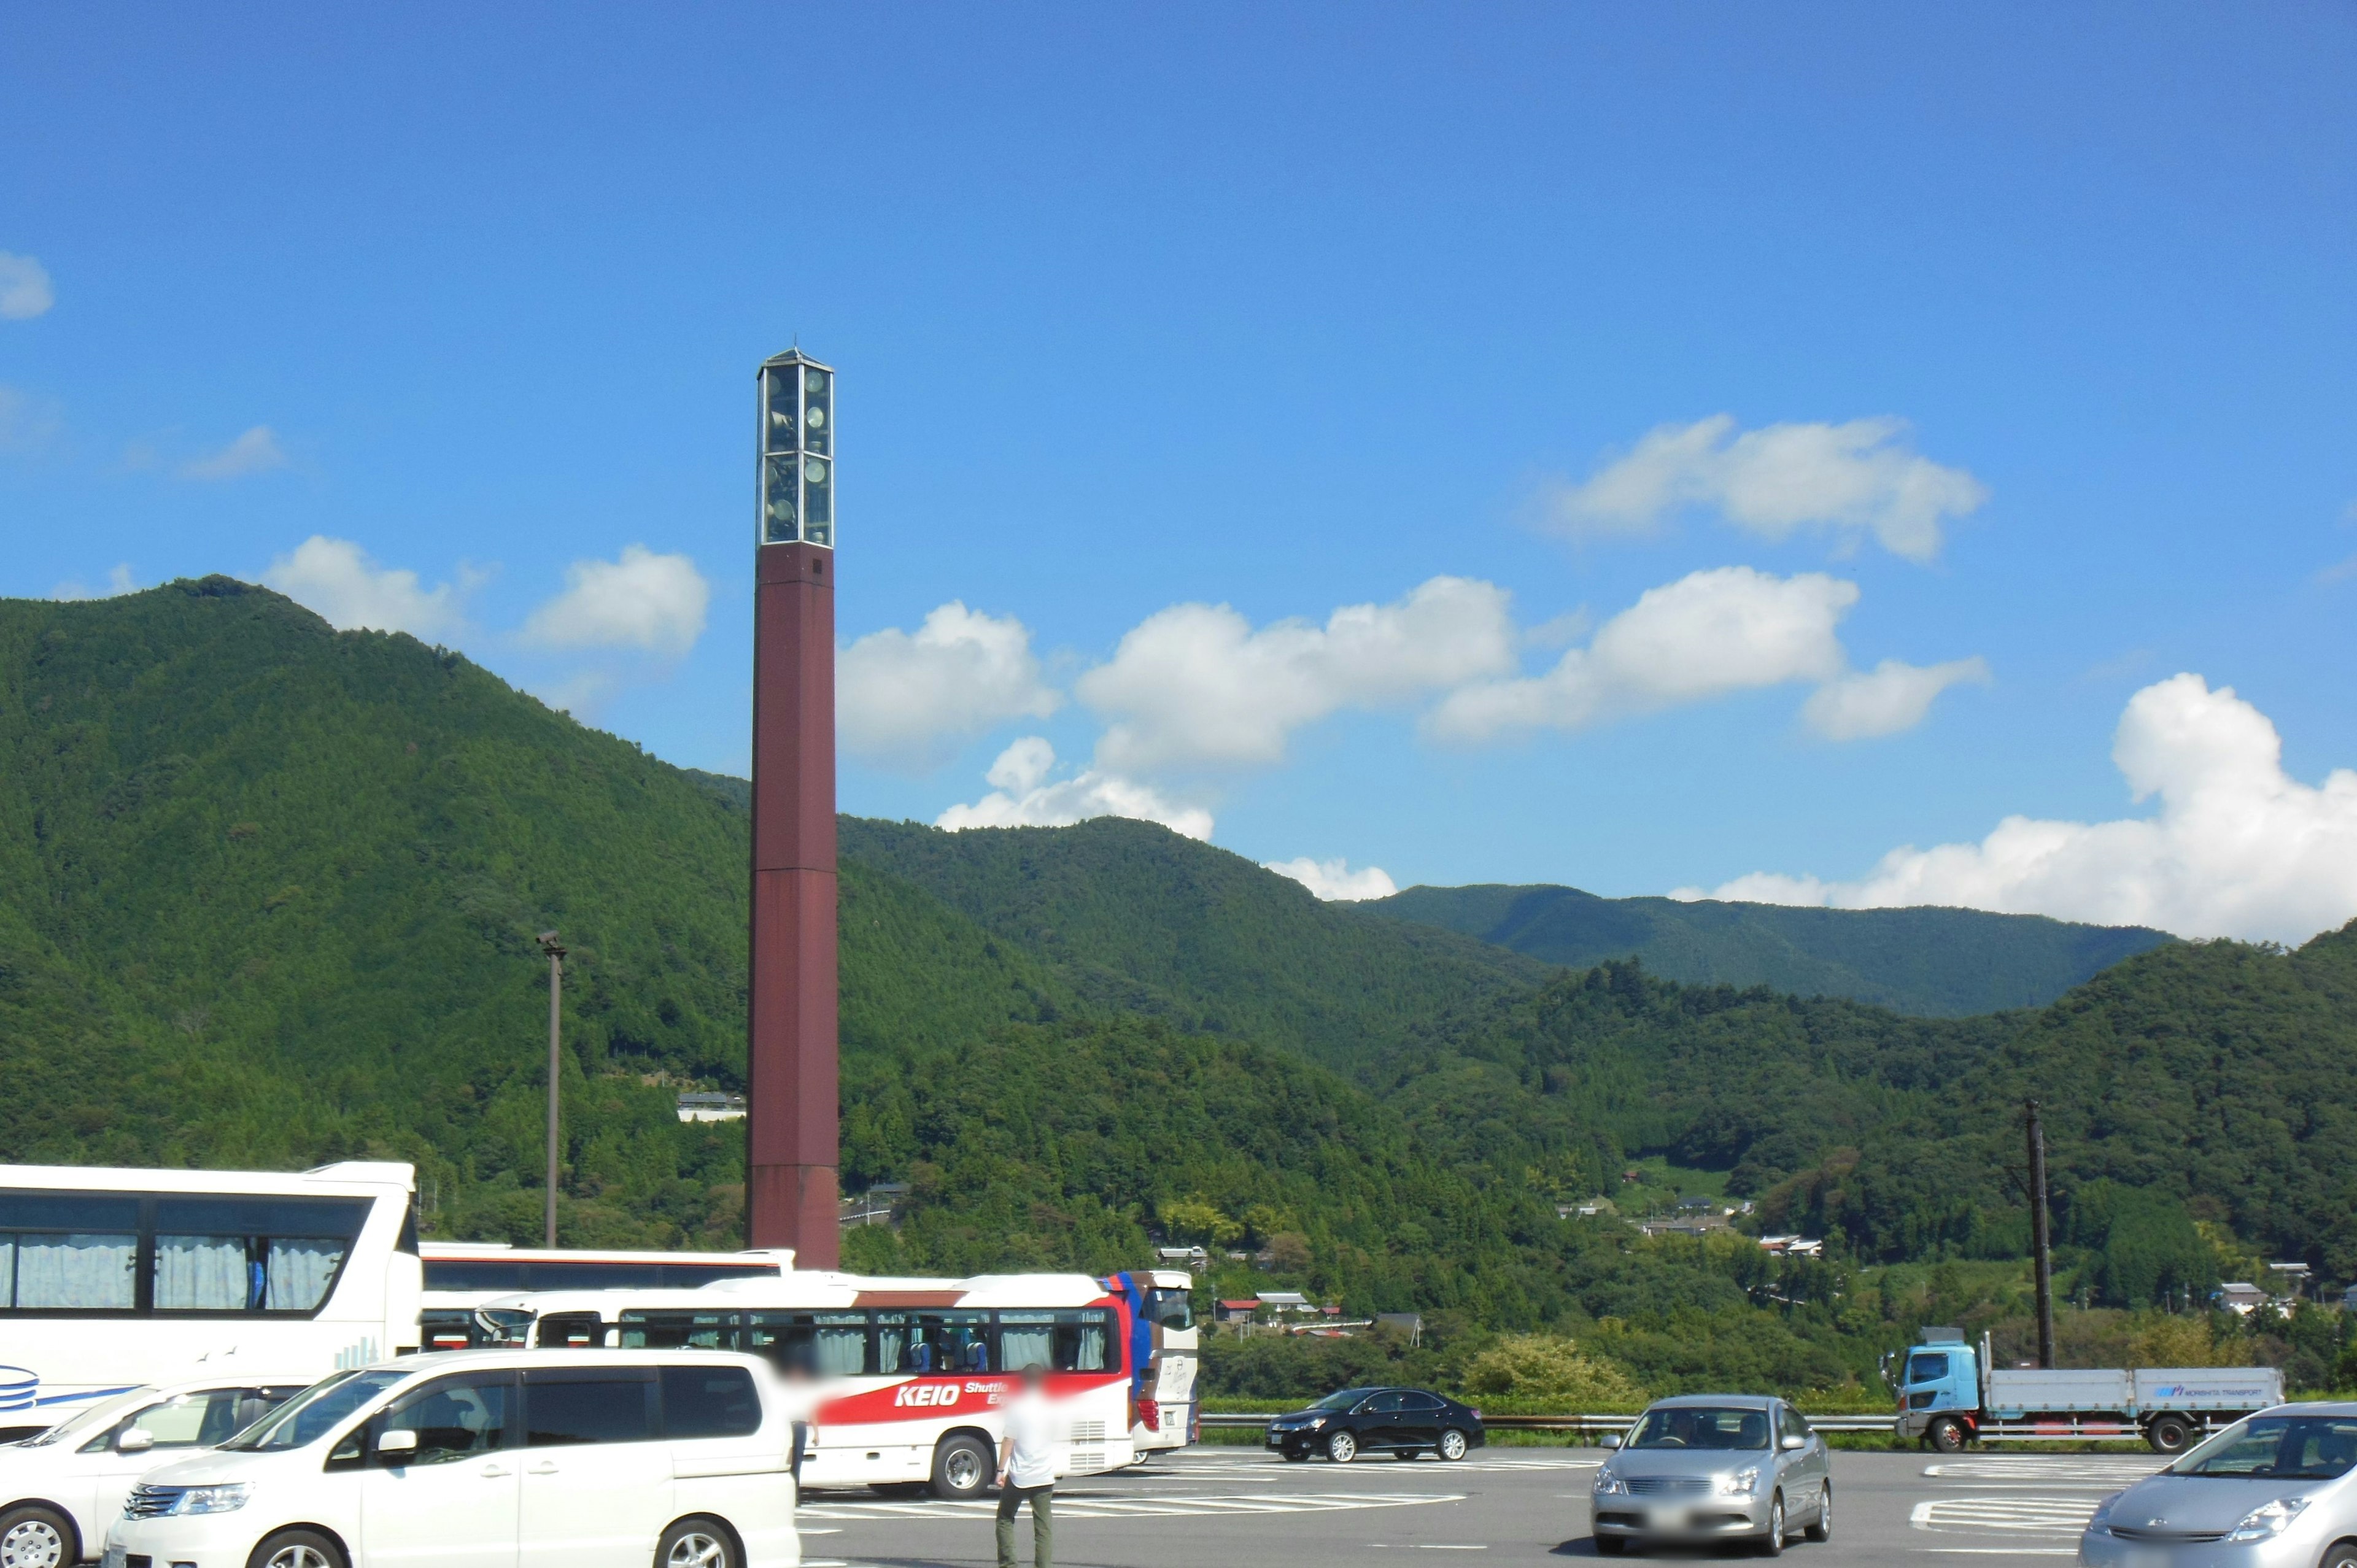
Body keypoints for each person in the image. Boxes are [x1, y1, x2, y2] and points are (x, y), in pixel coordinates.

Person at [996, 1363, 1055, 1568]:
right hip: (1045, 1475)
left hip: (1020, 1477)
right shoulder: (1049, 1406)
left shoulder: (1018, 1406)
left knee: (1005, 1518)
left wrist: (1000, 1471)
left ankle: (1008, 1564)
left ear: (1023, 1380)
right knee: (1043, 1528)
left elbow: (1009, 1440)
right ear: (1041, 1381)